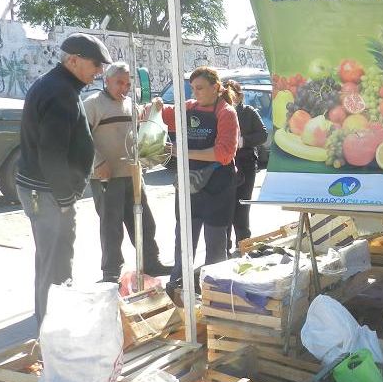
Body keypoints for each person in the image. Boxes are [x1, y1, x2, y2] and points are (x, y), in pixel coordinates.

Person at [16, 33, 112, 327]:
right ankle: (51, 330)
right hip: (47, 194)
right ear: (73, 60)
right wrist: (64, 199)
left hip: (45, 191)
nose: (99, 72)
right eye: (96, 64)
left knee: (52, 260)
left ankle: (50, 325)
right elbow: (52, 153)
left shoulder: (59, 86)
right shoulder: (59, 92)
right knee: (55, 264)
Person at [83, 62, 172, 282]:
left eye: (127, 83)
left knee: (144, 222)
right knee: (111, 226)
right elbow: (81, 137)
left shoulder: (129, 104)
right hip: (106, 176)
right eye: (119, 82)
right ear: (107, 80)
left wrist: (154, 108)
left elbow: (142, 125)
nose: (123, 87)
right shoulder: (92, 104)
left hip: (132, 173)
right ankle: (111, 273)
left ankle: (151, 263)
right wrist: (98, 162)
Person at [155, 66, 240, 285]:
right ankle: (178, 286)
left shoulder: (226, 113)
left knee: (215, 247)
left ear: (216, 88)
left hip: (218, 189)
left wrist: (181, 151)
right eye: (192, 89)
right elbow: (161, 112)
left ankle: (215, 291)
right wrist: (152, 107)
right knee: (184, 242)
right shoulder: (188, 108)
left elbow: (223, 154)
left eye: (200, 88)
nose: (195, 93)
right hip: (189, 187)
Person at [225, 80, 268, 253]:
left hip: (246, 163)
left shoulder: (248, 112)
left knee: (242, 206)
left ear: (240, 96)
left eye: (232, 95)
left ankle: (244, 244)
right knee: (226, 206)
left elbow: (263, 134)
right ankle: (224, 247)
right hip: (225, 164)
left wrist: (242, 141)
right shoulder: (220, 112)